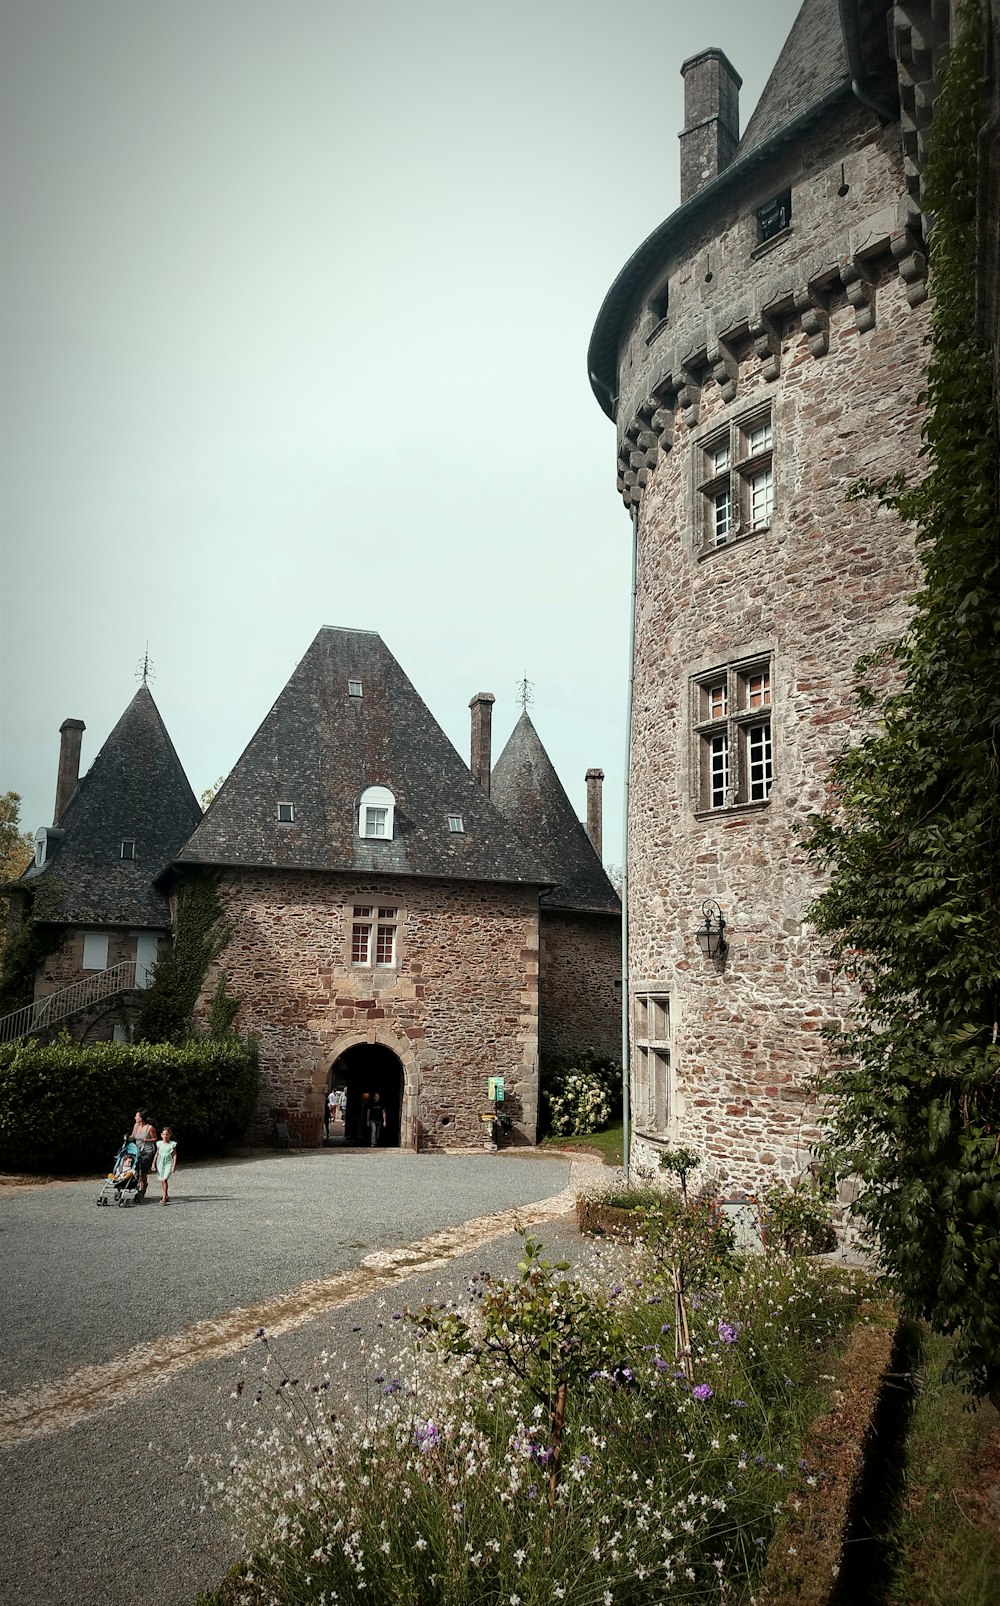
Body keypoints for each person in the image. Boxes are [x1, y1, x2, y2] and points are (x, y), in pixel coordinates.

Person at [129, 1109, 158, 1200]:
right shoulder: (136, 1125)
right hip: (138, 1151)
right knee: (133, 1167)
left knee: (143, 1172)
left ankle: (143, 1188)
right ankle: (137, 1184)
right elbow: (133, 1136)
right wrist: (127, 1138)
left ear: (141, 1118)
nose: (135, 1117)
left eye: (136, 1116)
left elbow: (155, 1139)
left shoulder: (150, 1128)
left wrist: (147, 1140)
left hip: (147, 1151)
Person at [154, 1126, 177, 1205]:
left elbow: (174, 1155)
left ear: (170, 1135)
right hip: (160, 1162)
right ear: (161, 1135)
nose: (165, 1136)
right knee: (162, 1179)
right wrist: (153, 1163)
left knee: (165, 1179)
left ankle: (164, 1197)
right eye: (164, 1134)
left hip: (168, 1162)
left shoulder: (172, 1144)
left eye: (167, 1134)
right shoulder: (159, 1143)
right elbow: (157, 1153)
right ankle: (165, 1194)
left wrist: (173, 1166)